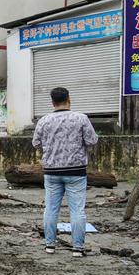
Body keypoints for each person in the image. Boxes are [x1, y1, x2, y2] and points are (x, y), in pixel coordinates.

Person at [31, 87, 98, 257]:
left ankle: (49, 245)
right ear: (69, 99)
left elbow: (36, 143)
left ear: (52, 102)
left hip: (52, 170)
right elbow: (91, 140)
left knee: (51, 209)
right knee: (77, 210)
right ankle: (77, 248)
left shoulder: (44, 120)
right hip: (76, 171)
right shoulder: (81, 118)